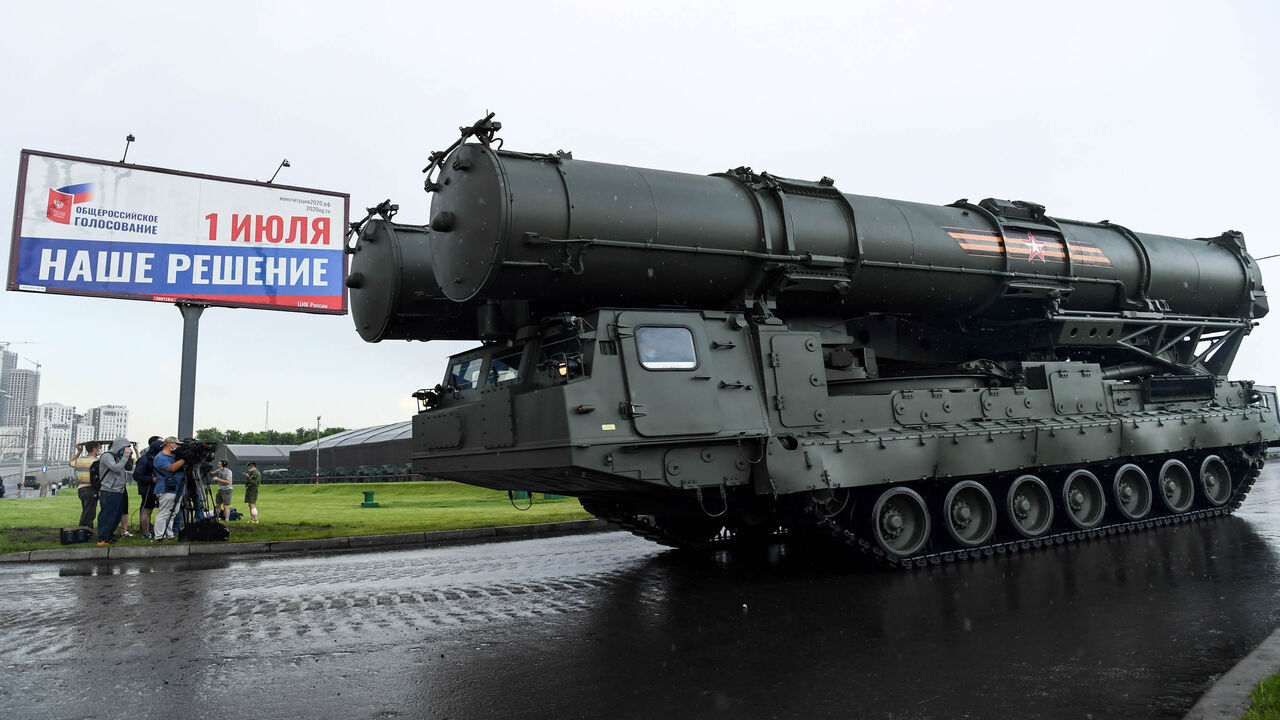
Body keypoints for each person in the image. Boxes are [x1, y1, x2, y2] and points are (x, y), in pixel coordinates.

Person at [95, 437, 134, 546]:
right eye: (125, 447)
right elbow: (115, 468)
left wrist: (129, 456)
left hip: (119, 490)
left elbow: (129, 468)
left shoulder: (119, 457)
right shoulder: (107, 456)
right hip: (109, 490)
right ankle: (102, 538)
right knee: (107, 515)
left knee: (117, 515)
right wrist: (125, 456)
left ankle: (109, 535)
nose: (125, 450)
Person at [151, 437, 186, 541]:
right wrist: (185, 459)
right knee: (164, 513)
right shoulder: (160, 457)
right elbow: (171, 468)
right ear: (169, 444)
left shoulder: (174, 456)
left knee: (172, 513)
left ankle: (168, 534)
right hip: (166, 488)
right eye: (176, 444)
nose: (178, 446)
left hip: (177, 488)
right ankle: (159, 536)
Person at [133, 436, 163, 538]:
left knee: (150, 510)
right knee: (147, 510)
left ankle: (150, 530)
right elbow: (136, 475)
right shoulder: (144, 459)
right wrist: (151, 479)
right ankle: (145, 532)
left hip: (155, 488)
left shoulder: (155, 458)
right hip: (147, 489)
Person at [69, 441, 100, 528]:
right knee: (89, 514)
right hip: (91, 489)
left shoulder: (80, 460)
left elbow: (70, 463)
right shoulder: (96, 461)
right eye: (98, 448)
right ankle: (84, 532)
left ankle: (86, 532)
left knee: (87, 511)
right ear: (94, 449)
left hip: (81, 489)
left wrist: (79, 452)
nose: (100, 449)